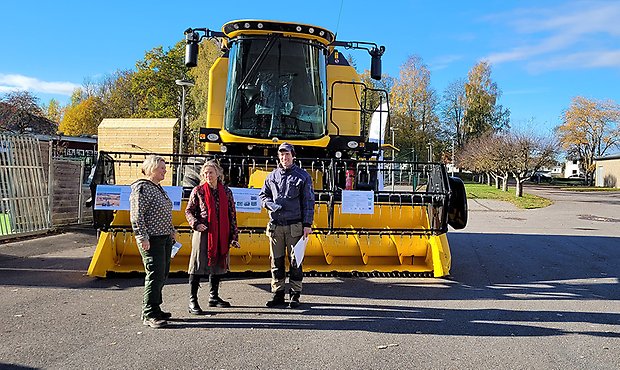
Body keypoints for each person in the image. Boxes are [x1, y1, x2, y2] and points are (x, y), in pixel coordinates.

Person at [259, 142, 314, 308]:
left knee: (295, 261)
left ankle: (295, 294)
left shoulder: (303, 176)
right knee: (276, 262)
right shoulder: (271, 176)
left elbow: (308, 202)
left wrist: (307, 224)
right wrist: (268, 204)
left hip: (294, 226)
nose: (284, 158)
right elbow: (263, 195)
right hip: (276, 226)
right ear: (278, 157)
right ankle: (278, 293)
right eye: (281, 155)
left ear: (293, 156)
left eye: (287, 154)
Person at [185, 160, 240, 315]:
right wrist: (195, 224)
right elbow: (189, 211)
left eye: (211, 172)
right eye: (205, 173)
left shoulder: (227, 192)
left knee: (217, 266)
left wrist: (234, 236)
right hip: (203, 234)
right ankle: (192, 300)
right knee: (196, 266)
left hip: (221, 234)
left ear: (218, 174)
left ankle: (213, 297)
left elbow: (232, 215)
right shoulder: (198, 191)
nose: (208, 175)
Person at [130, 155, 177, 329]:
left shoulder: (158, 188)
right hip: (152, 239)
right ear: (152, 169)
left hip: (164, 238)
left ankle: (156, 308)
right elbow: (136, 215)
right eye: (162, 168)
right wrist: (142, 237)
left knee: (162, 274)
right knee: (154, 275)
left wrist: (172, 231)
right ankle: (149, 313)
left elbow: (165, 213)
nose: (165, 170)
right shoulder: (142, 188)